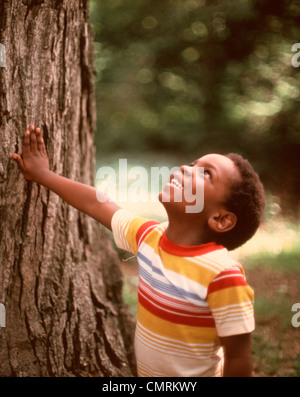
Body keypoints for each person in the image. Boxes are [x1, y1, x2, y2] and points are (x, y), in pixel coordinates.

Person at [13, 124, 265, 377]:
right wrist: (44, 175)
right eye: (193, 163)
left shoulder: (223, 276)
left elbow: (238, 357)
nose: (186, 169)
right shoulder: (149, 236)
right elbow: (96, 203)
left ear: (220, 219)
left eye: (207, 173)